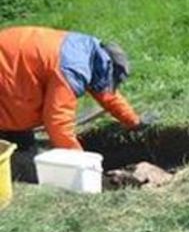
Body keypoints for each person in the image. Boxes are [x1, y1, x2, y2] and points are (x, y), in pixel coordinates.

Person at [0, 26, 150, 181]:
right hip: (8, 75)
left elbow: (108, 95)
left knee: (24, 147)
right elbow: (57, 122)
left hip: (14, 72)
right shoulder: (72, 69)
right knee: (24, 163)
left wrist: (134, 121)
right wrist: (81, 163)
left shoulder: (90, 54)